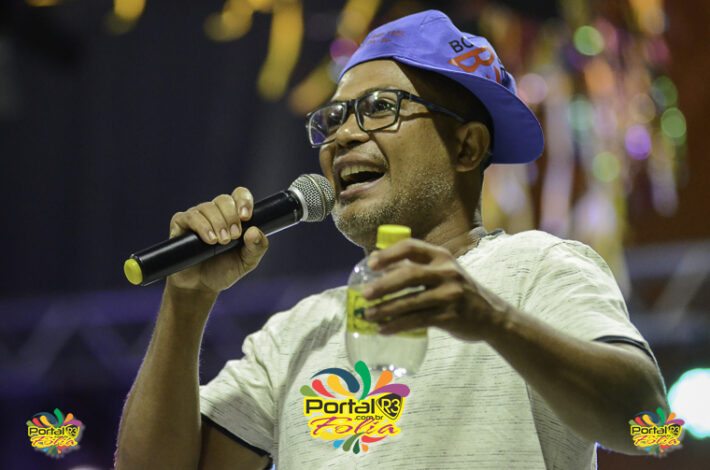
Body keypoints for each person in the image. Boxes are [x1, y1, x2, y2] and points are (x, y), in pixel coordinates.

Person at [115, 10, 667, 469]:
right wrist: (187, 301)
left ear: (468, 148)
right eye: (333, 118)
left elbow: (647, 425)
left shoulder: (538, 267)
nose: (343, 135)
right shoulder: (298, 332)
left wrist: (491, 320)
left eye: (381, 108)